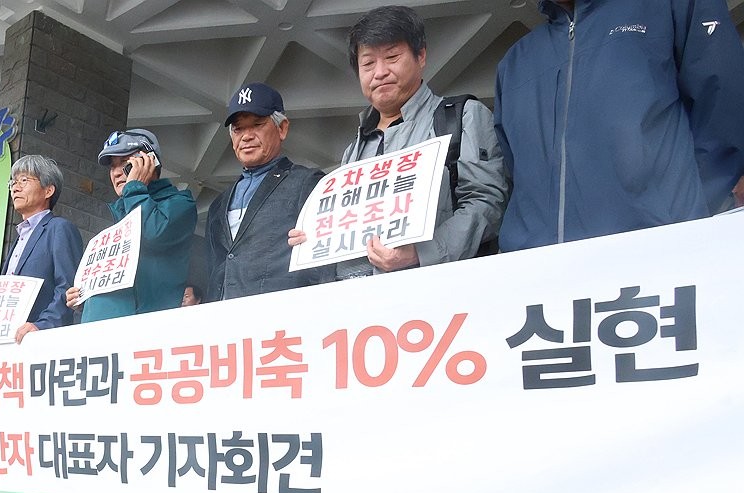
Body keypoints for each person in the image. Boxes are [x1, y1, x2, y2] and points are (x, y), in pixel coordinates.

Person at [477, 0, 744, 493]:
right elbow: (511, 168)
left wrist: (685, 210)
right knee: (556, 434)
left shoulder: (672, 9)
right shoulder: (519, 60)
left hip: (652, 266)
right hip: (547, 276)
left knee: (657, 432)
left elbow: (725, 108)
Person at [494, 0, 744, 253]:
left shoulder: (670, 6)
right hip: (538, 272)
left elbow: (724, 109)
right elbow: (519, 170)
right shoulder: (514, 62)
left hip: (660, 254)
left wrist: (694, 216)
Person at [289, 5, 508, 280]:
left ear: (421, 56)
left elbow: (486, 204)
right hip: (363, 307)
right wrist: (315, 236)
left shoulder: (462, 117)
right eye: (368, 63)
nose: (379, 72)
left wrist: (421, 253)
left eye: (392, 57)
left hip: (438, 298)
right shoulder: (354, 150)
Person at [205, 82, 335, 301]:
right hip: (225, 327)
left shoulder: (308, 183)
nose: (246, 136)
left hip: (283, 323)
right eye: (238, 129)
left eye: (257, 124)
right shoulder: (219, 204)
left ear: (282, 128)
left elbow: (324, 265)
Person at [65, 129, 196, 322]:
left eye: (125, 163)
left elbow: (151, 234)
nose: (117, 172)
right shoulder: (118, 214)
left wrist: (135, 187)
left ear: (150, 162)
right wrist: (85, 297)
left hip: (143, 332)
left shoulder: (179, 204)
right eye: (112, 166)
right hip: (98, 335)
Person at [0, 154, 83, 340]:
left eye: (24, 180)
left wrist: (43, 325)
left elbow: (68, 287)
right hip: (9, 339)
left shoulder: (59, 228)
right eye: (13, 182)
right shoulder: (20, 237)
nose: (15, 187)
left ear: (48, 190)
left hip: (40, 339)